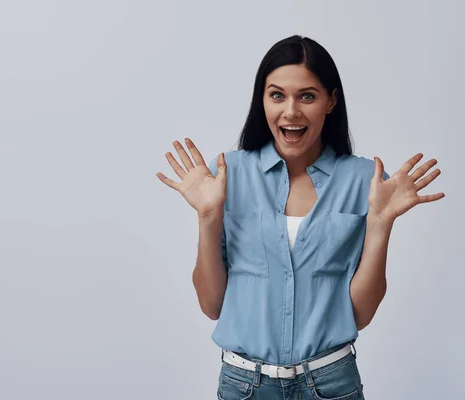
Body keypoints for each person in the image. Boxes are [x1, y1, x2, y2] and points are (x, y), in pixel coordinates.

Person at [156, 35, 444, 400]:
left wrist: (380, 224)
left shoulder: (364, 182)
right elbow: (211, 305)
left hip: (331, 382)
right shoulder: (227, 175)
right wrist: (209, 217)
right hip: (245, 385)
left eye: (307, 95)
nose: (290, 111)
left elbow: (361, 314)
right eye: (277, 95)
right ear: (262, 100)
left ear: (330, 101)